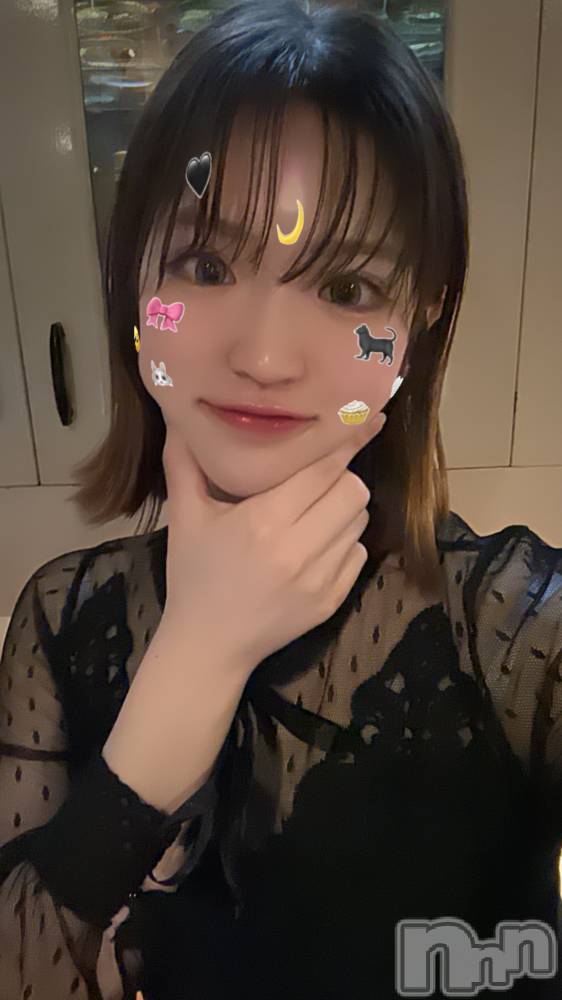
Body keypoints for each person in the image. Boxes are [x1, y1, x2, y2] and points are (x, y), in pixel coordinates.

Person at [1, 1, 561, 997]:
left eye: (346, 290)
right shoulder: (62, 617)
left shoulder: (507, 626)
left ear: (422, 317)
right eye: (207, 266)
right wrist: (193, 662)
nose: (262, 357)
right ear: (134, 283)